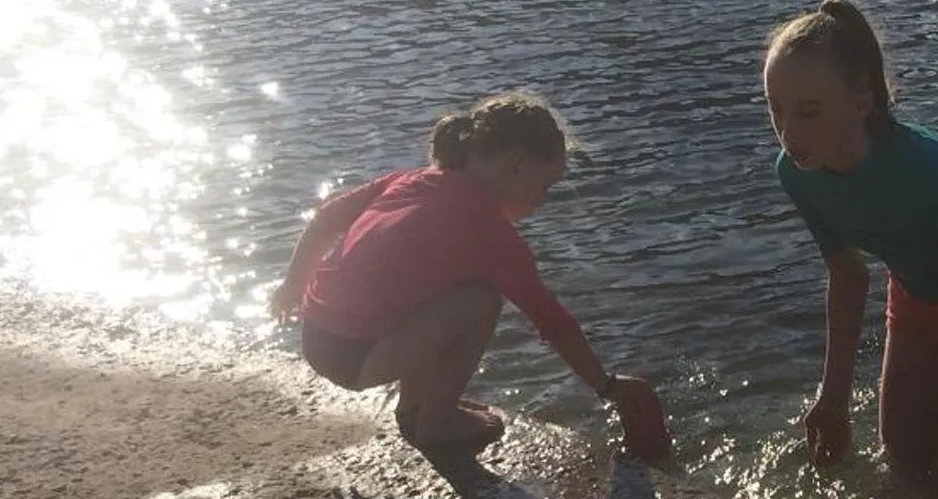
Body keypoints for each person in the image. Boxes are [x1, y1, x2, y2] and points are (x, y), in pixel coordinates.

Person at [270, 92, 655, 454]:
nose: (544, 199)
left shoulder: (407, 180)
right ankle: (437, 420)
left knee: (429, 285)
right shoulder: (488, 230)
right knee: (479, 300)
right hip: (355, 358)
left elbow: (325, 219)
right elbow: (553, 322)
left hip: (317, 338)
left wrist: (292, 285)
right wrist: (605, 386)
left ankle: (415, 407)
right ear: (515, 164)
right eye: (546, 183)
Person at [764, 0, 938, 495]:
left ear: (860, 104)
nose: (788, 132)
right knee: (907, 464)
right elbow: (849, 275)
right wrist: (834, 399)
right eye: (776, 110)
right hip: (914, 294)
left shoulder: (930, 172)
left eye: (807, 113)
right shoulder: (797, 172)